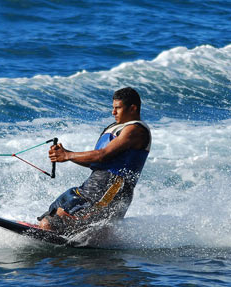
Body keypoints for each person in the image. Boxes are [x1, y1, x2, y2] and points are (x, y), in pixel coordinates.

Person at [38, 87, 151, 235]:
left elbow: (102, 155)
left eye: (118, 108)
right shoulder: (116, 128)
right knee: (49, 216)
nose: (113, 112)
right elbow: (97, 162)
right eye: (113, 108)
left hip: (112, 188)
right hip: (93, 186)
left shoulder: (136, 130)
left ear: (133, 108)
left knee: (54, 224)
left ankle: (82, 248)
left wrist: (68, 155)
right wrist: (66, 156)